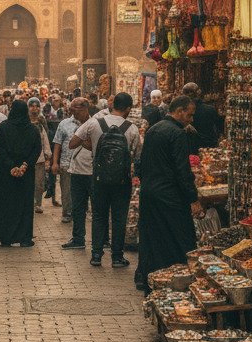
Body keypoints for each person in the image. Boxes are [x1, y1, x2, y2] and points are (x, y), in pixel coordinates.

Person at [137, 95, 204, 290]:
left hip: (150, 193)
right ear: (180, 111)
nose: (191, 119)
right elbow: (182, 170)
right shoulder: (177, 134)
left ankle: (150, 281)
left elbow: (142, 163)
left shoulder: (154, 129)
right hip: (170, 196)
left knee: (152, 239)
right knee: (180, 239)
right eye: (189, 115)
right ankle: (180, 284)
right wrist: (193, 198)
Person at [89, 92, 141, 269]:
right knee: (119, 218)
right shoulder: (131, 128)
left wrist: (94, 151)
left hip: (99, 178)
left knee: (99, 215)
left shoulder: (96, 123)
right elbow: (137, 154)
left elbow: (75, 141)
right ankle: (117, 257)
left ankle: (96, 255)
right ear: (128, 109)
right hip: (121, 180)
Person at [0, 100, 42, 248]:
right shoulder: (32, 129)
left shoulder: (4, 127)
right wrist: (25, 166)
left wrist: (11, 166)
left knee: (6, 203)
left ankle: (5, 236)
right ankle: (24, 237)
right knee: (24, 204)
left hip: (6, 174)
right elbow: (36, 150)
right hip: (25, 175)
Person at [61, 97, 95, 250]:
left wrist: (82, 140)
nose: (73, 113)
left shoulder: (95, 123)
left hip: (91, 170)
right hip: (76, 170)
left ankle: (101, 239)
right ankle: (78, 238)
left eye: (76, 110)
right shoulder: (66, 123)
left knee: (96, 208)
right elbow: (65, 143)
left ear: (85, 108)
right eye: (71, 110)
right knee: (78, 207)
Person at [51, 102, 78, 224]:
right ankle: (67, 212)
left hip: (85, 164)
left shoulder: (91, 123)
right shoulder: (64, 124)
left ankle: (79, 212)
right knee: (66, 190)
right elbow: (57, 143)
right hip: (66, 162)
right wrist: (55, 162)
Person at [181, 82, 223, 152]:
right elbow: (220, 127)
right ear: (199, 93)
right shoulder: (210, 109)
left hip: (190, 147)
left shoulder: (182, 111)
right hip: (209, 146)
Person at [27, 98, 52, 213]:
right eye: (32, 106)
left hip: (40, 158)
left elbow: (45, 137)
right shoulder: (24, 120)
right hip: (26, 158)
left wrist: (47, 155)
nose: (34, 108)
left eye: (37, 106)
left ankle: (38, 203)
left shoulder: (41, 121)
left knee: (39, 183)